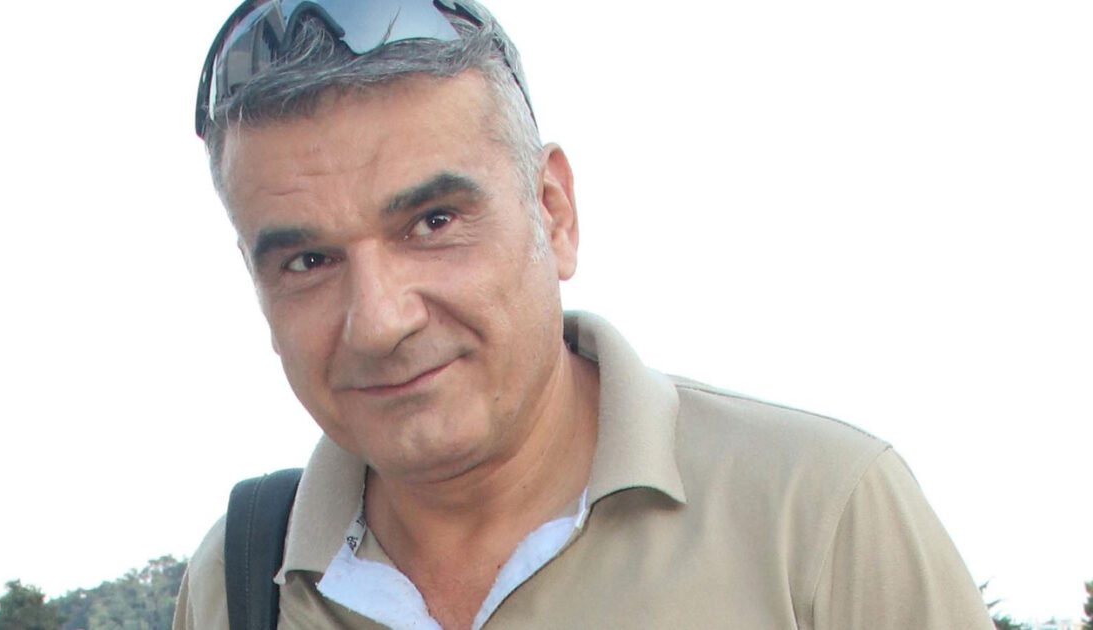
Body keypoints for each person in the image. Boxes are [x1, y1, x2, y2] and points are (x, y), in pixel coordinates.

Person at [174, 1, 990, 628]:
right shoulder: (236, 583)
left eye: (433, 222)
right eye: (308, 262)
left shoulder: (817, 519)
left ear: (553, 212)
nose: (381, 321)